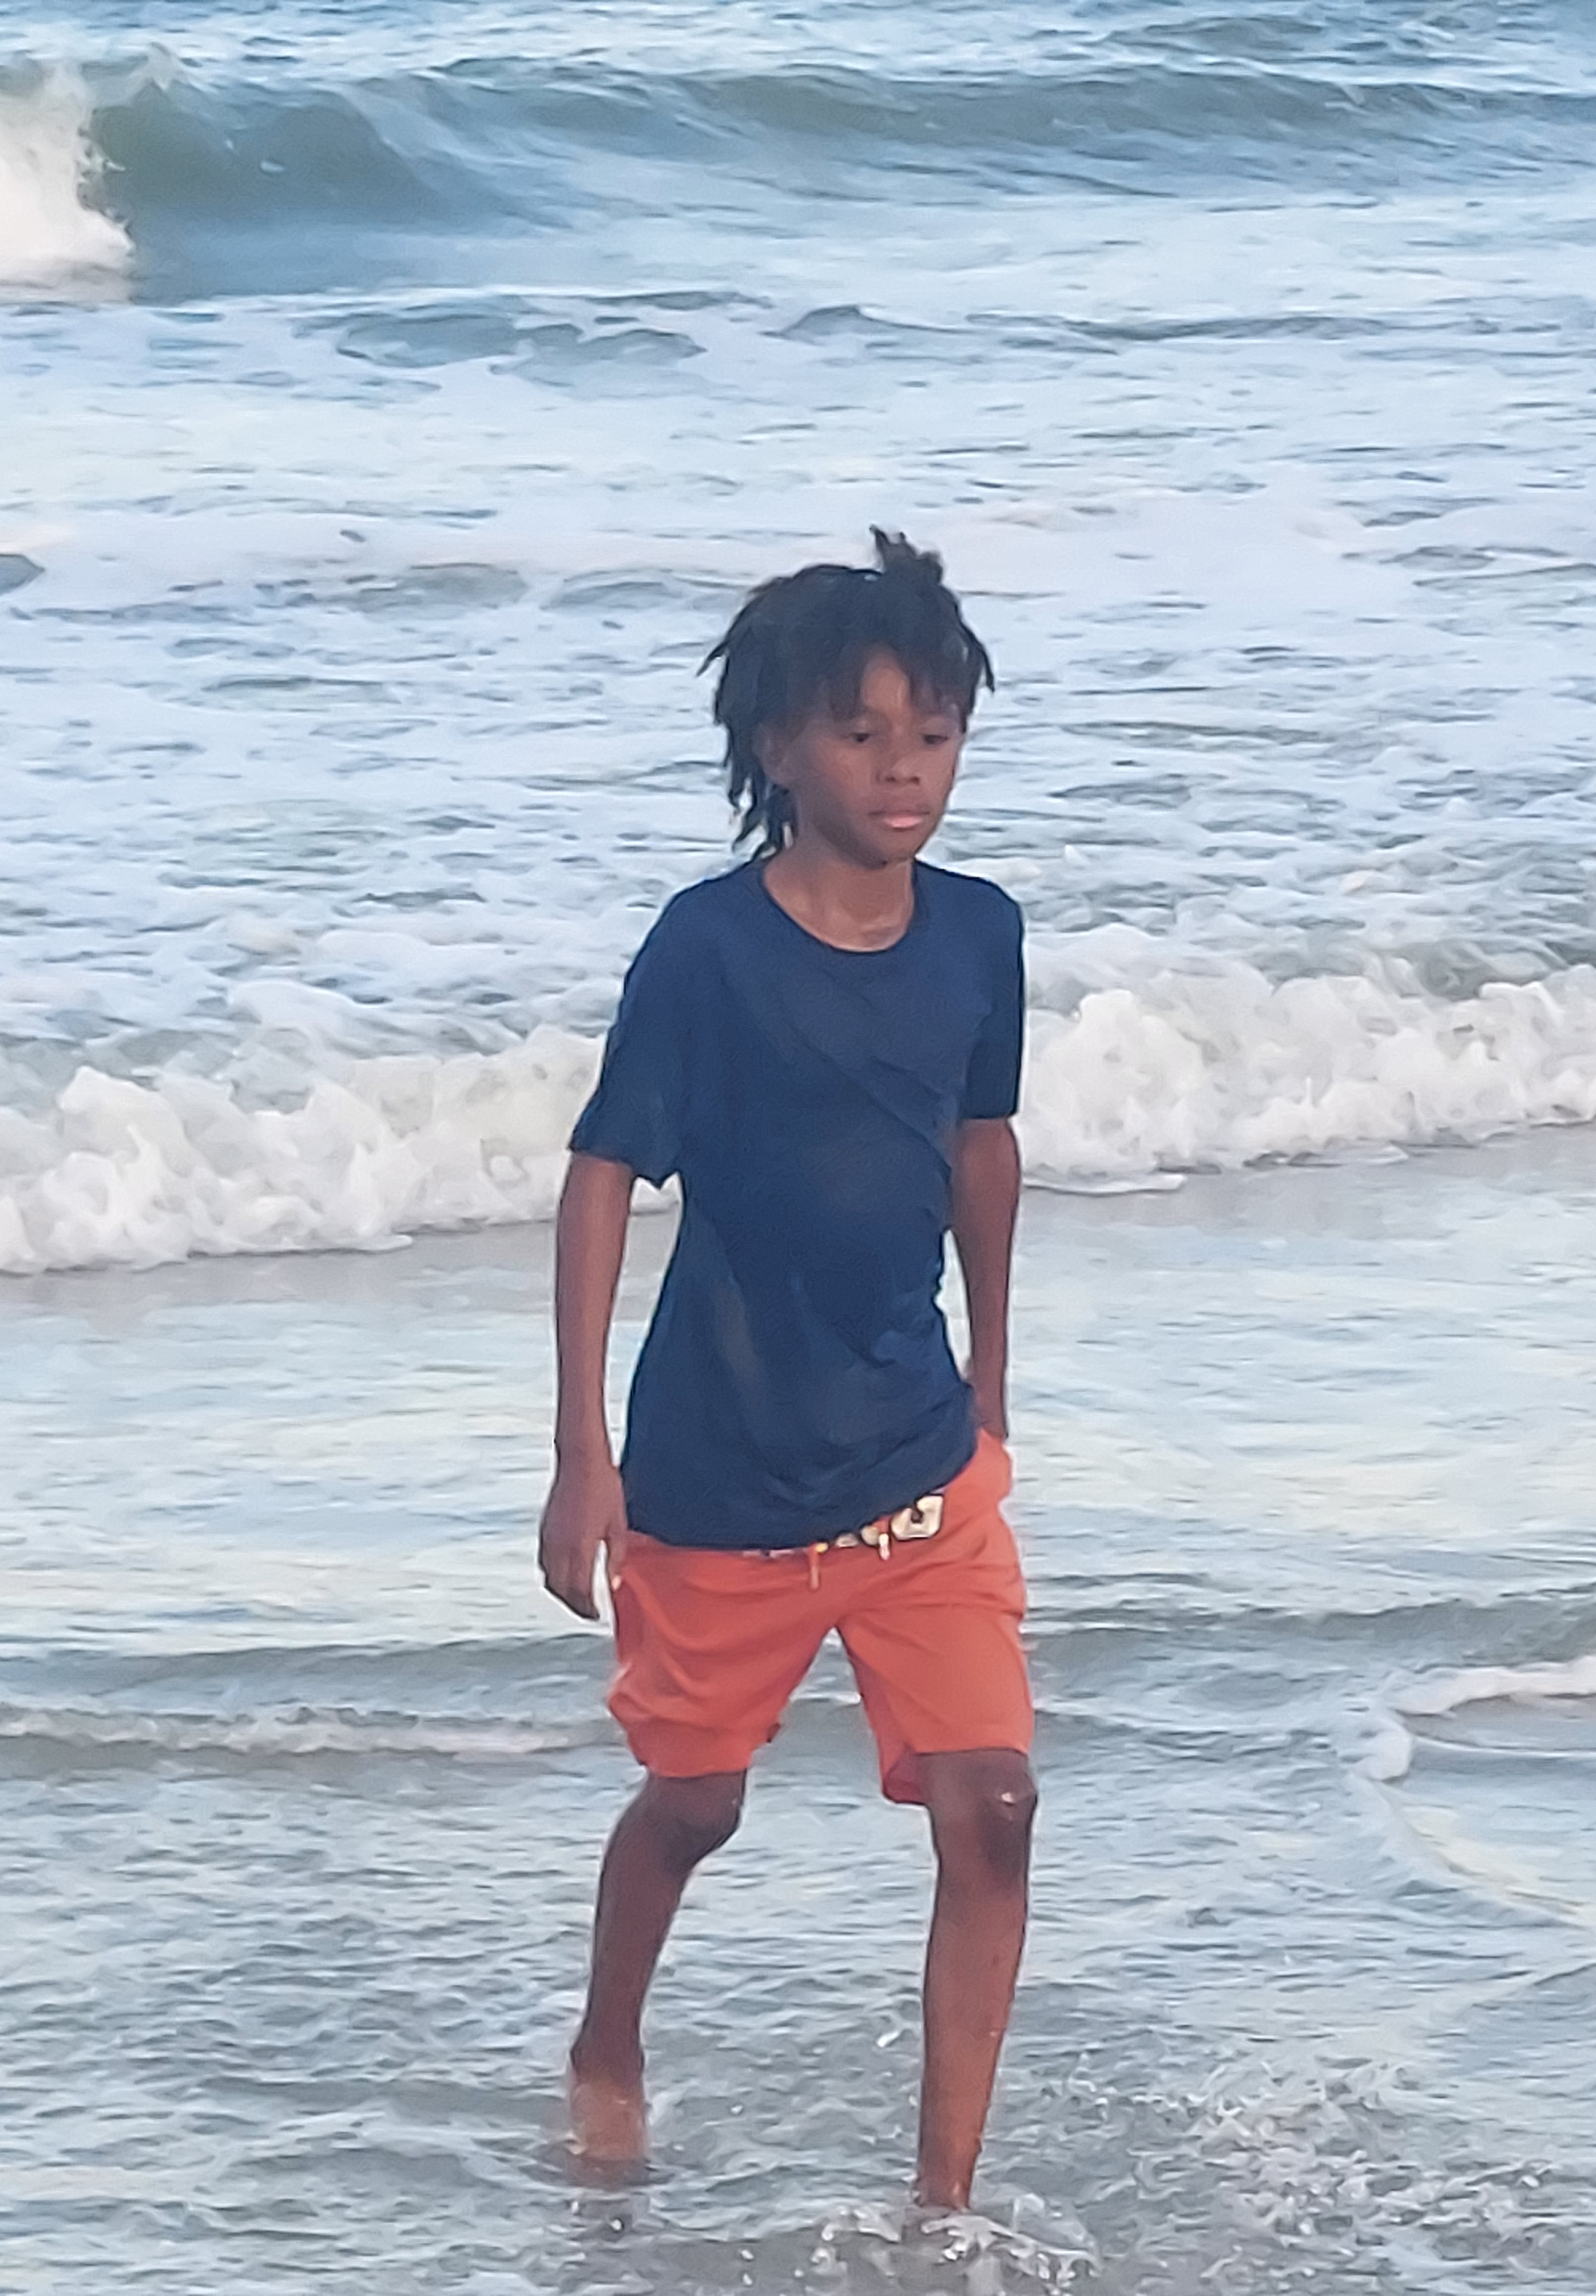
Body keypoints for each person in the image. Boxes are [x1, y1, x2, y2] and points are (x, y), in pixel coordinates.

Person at [537, 528, 1033, 2212]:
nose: (903, 772)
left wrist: (990, 1383)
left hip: (915, 1459)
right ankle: (609, 2040)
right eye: (862, 733)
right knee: (693, 1806)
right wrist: (582, 1455)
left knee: (993, 1805)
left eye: (933, 735)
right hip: (721, 1471)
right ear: (776, 745)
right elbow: (603, 1172)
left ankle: (943, 2209)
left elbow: (980, 1147)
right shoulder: (708, 951)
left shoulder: (979, 936)